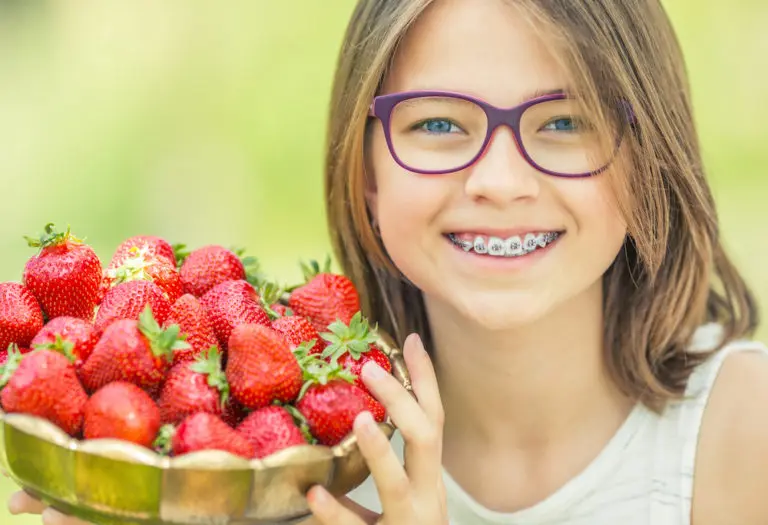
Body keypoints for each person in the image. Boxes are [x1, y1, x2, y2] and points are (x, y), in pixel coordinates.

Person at [7, 0, 768, 524]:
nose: (499, 182)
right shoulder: (283, 456)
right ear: (366, 173)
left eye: (566, 122)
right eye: (439, 121)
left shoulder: (742, 434)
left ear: (650, 155)